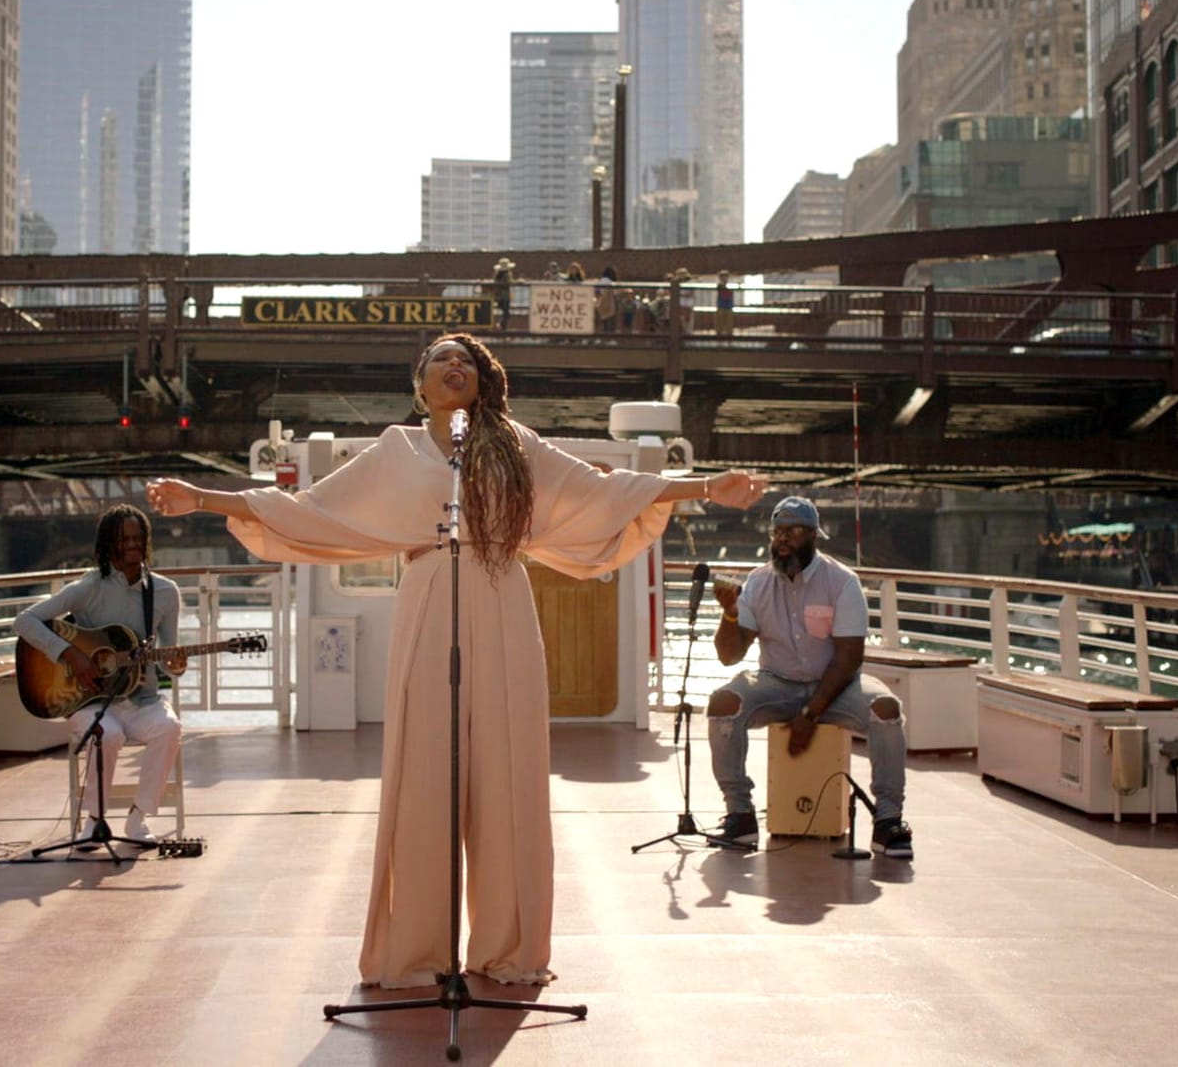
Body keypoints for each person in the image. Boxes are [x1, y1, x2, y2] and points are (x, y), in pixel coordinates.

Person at [147, 332, 767, 989]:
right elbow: (309, 510)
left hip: (502, 597)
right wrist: (203, 499)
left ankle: (508, 950)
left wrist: (705, 486)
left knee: (508, 775)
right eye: (441, 358)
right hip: (427, 597)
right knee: (423, 776)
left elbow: (606, 491)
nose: (454, 365)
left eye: (466, 359)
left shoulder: (518, 445)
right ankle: (415, 953)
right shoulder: (396, 449)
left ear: (482, 379)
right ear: (419, 386)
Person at [705, 496, 913, 857]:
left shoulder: (842, 582)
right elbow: (730, 655)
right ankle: (739, 816)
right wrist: (730, 614)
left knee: (886, 710)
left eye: (794, 531)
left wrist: (811, 713)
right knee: (723, 704)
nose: (783, 539)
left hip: (837, 685)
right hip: (777, 682)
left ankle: (888, 821)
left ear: (815, 536)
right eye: (778, 531)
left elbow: (848, 659)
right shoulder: (757, 583)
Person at [14, 504, 185, 847]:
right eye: (125, 540)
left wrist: (175, 664)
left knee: (171, 728)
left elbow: (168, 658)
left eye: (139, 538)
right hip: (91, 698)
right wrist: (71, 655)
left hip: (143, 699)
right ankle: (94, 820)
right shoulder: (88, 587)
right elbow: (25, 621)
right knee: (106, 735)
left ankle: (138, 819)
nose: (134, 546)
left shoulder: (165, 593)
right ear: (109, 545)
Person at [490, 257, 515, 331]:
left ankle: (502, 326)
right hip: (505, 296)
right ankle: (502, 327)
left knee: (505, 312)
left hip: (498, 296)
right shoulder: (506, 275)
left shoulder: (497, 275)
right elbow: (509, 283)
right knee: (506, 313)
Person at [596, 265, 619, 333]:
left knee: (601, 321)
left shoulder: (600, 281)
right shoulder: (611, 283)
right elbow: (614, 293)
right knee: (609, 322)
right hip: (609, 303)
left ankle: (601, 337)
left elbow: (597, 291)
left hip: (600, 303)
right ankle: (608, 338)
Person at [714, 270, 735, 337]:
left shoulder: (729, 285)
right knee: (720, 321)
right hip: (721, 305)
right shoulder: (719, 285)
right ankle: (719, 333)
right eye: (723, 276)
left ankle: (729, 333)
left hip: (728, 305)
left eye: (726, 276)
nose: (725, 278)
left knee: (729, 321)